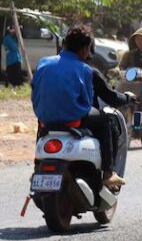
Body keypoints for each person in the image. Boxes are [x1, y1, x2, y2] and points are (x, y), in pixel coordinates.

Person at [31, 26, 126, 189]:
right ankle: (109, 173)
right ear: (84, 49)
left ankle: (37, 166)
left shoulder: (43, 62)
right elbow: (87, 99)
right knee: (105, 122)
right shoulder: (85, 69)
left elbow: (34, 89)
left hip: (44, 117)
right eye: (88, 48)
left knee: (41, 127)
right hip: (74, 118)